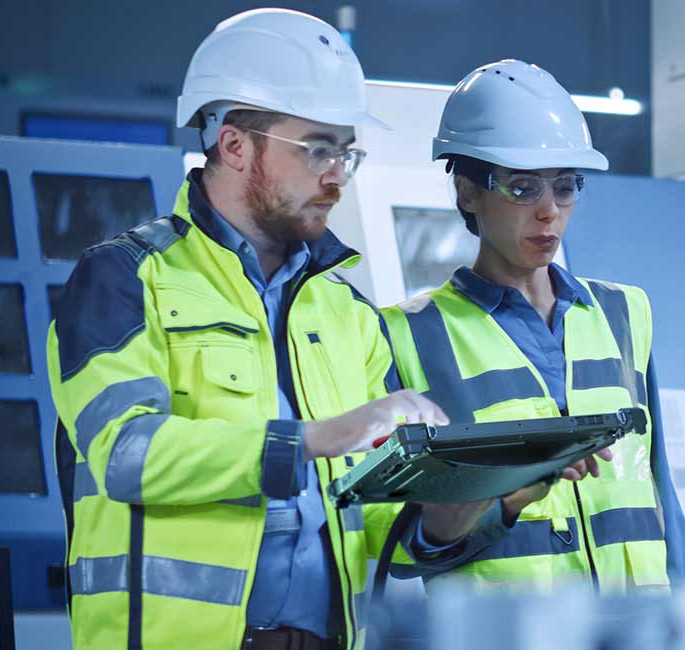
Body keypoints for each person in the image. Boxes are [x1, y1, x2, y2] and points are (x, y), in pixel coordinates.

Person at [46, 11, 595, 649]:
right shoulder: (124, 280)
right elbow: (126, 454)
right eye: (318, 149)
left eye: (346, 151)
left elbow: (387, 530)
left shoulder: (347, 314)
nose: (337, 174)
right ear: (233, 144)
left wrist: (492, 495)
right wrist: (315, 439)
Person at [381, 60, 685, 593]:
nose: (549, 212)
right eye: (523, 188)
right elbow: (407, 548)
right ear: (467, 193)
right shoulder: (406, 336)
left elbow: (659, 492)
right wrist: (507, 498)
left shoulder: (625, 313)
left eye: (566, 186)